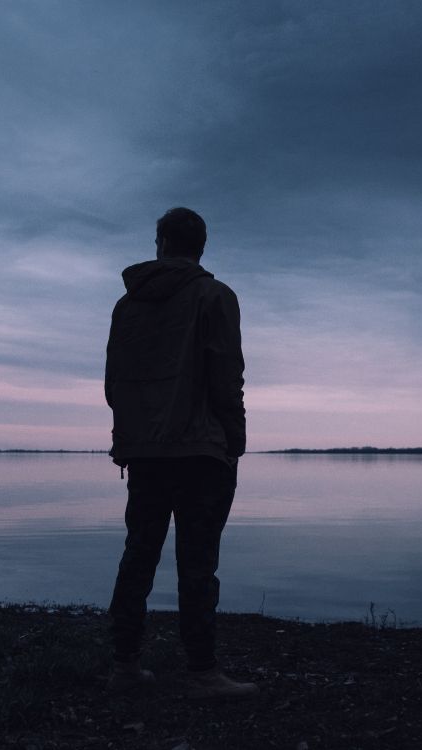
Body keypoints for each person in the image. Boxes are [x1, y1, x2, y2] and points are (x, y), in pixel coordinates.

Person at [104, 207, 256, 699]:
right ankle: (202, 672)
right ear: (200, 246)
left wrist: (130, 438)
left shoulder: (127, 307)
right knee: (197, 564)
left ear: (162, 244)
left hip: (145, 453)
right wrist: (235, 442)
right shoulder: (215, 296)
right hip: (200, 453)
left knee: (138, 556)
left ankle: (124, 664)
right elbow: (225, 377)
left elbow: (114, 384)